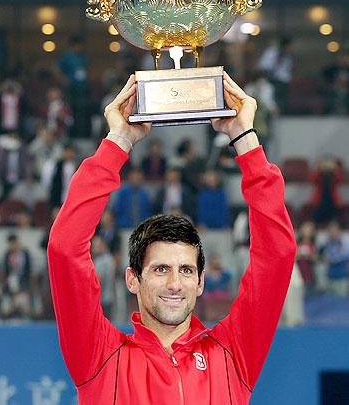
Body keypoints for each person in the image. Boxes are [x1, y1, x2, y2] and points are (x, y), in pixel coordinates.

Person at [47, 72, 296, 404]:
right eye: (161, 269)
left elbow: (277, 254)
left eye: (186, 271)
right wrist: (118, 142)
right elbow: (64, 248)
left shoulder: (234, 353)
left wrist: (244, 137)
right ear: (133, 279)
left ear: (201, 282)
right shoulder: (99, 356)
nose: (175, 284)